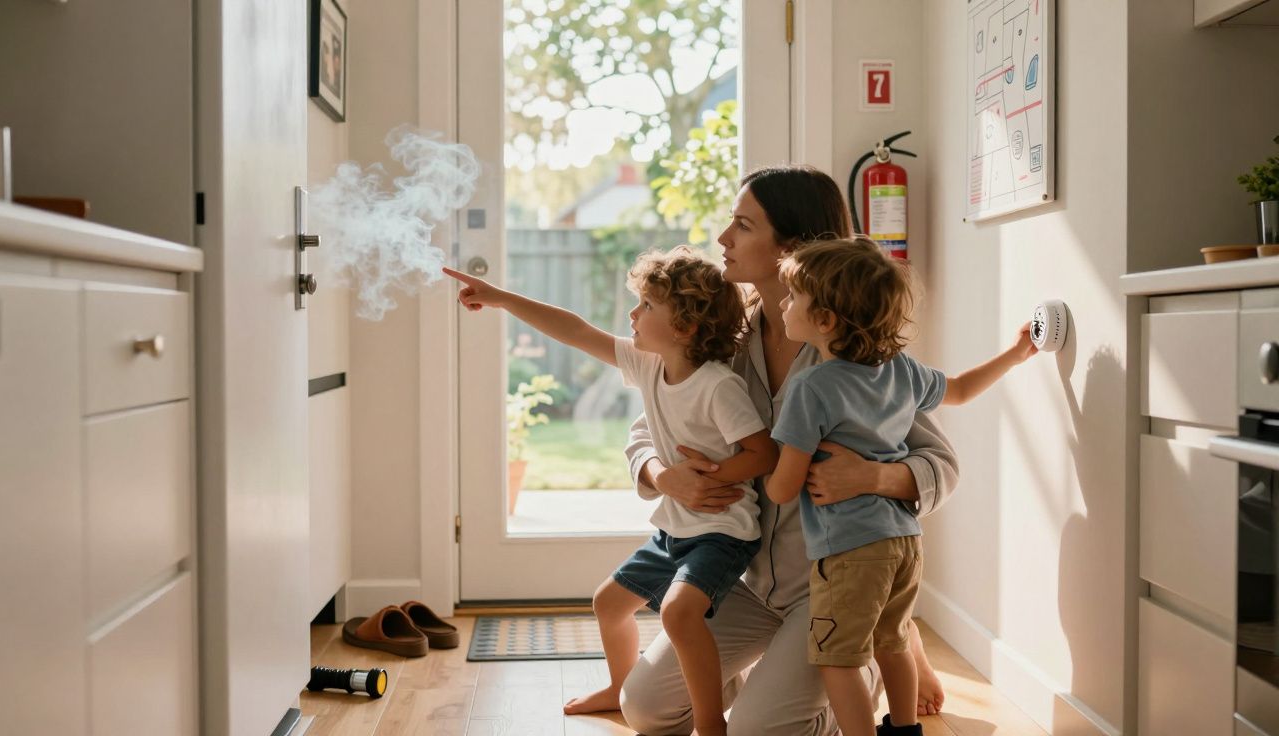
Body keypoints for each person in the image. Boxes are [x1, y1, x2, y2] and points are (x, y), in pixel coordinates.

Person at [620, 165, 959, 735]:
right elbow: (646, 427)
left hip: (833, 585)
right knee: (645, 707)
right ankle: (790, 679)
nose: (724, 238)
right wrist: (659, 473)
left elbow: (941, 464)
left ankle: (872, 656)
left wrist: (875, 478)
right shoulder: (727, 341)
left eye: (744, 225)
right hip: (749, 583)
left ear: (793, 248)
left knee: (758, 731)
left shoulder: (852, 356)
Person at [443, 247, 778, 736]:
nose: (633, 314)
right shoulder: (648, 365)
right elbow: (576, 330)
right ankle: (619, 687)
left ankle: (709, 723)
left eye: (646, 306)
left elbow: (763, 454)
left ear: (683, 327)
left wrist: (712, 477)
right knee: (609, 603)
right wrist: (501, 299)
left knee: (680, 614)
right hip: (675, 528)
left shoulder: (717, 386)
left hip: (722, 532)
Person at [765, 238, 1036, 735]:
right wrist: (1017, 353)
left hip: (849, 551)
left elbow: (783, 489)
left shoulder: (812, 388)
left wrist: (772, 468)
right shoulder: (901, 369)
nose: (782, 304)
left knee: (838, 659)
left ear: (824, 320)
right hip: (904, 542)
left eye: (792, 297)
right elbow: (960, 389)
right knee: (893, 642)